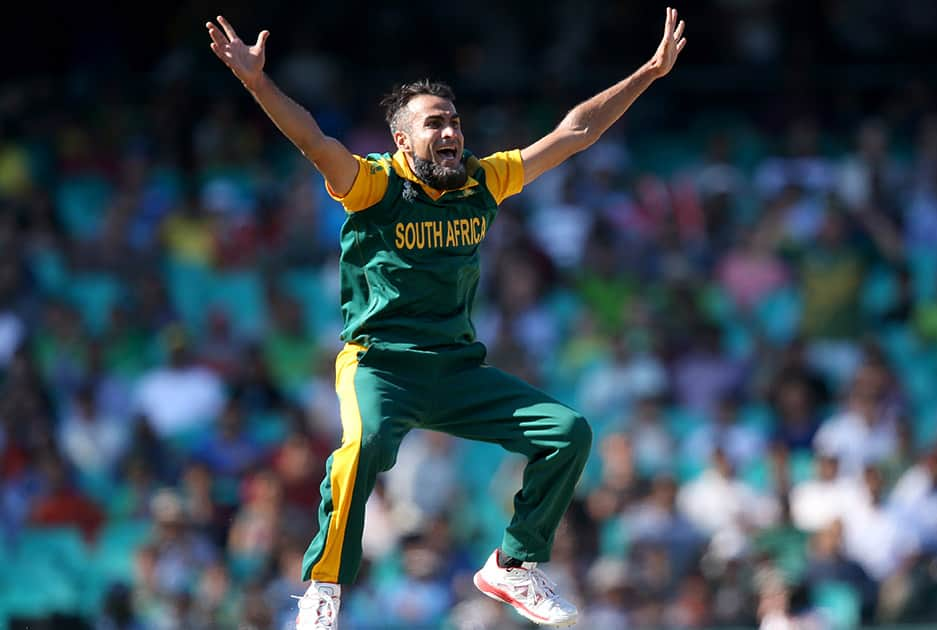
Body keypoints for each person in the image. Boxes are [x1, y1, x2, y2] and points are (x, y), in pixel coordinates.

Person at [205, 8, 687, 628]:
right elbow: (311, 141)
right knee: (365, 446)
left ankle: (512, 566)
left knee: (567, 432)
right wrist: (255, 82)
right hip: (381, 365)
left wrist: (647, 72)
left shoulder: (482, 182)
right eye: (435, 123)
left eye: (454, 120)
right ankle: (324, 588)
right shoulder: (373, 185)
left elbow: (576, 132)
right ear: (403, 140)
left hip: (458, 368)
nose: (451, 131)